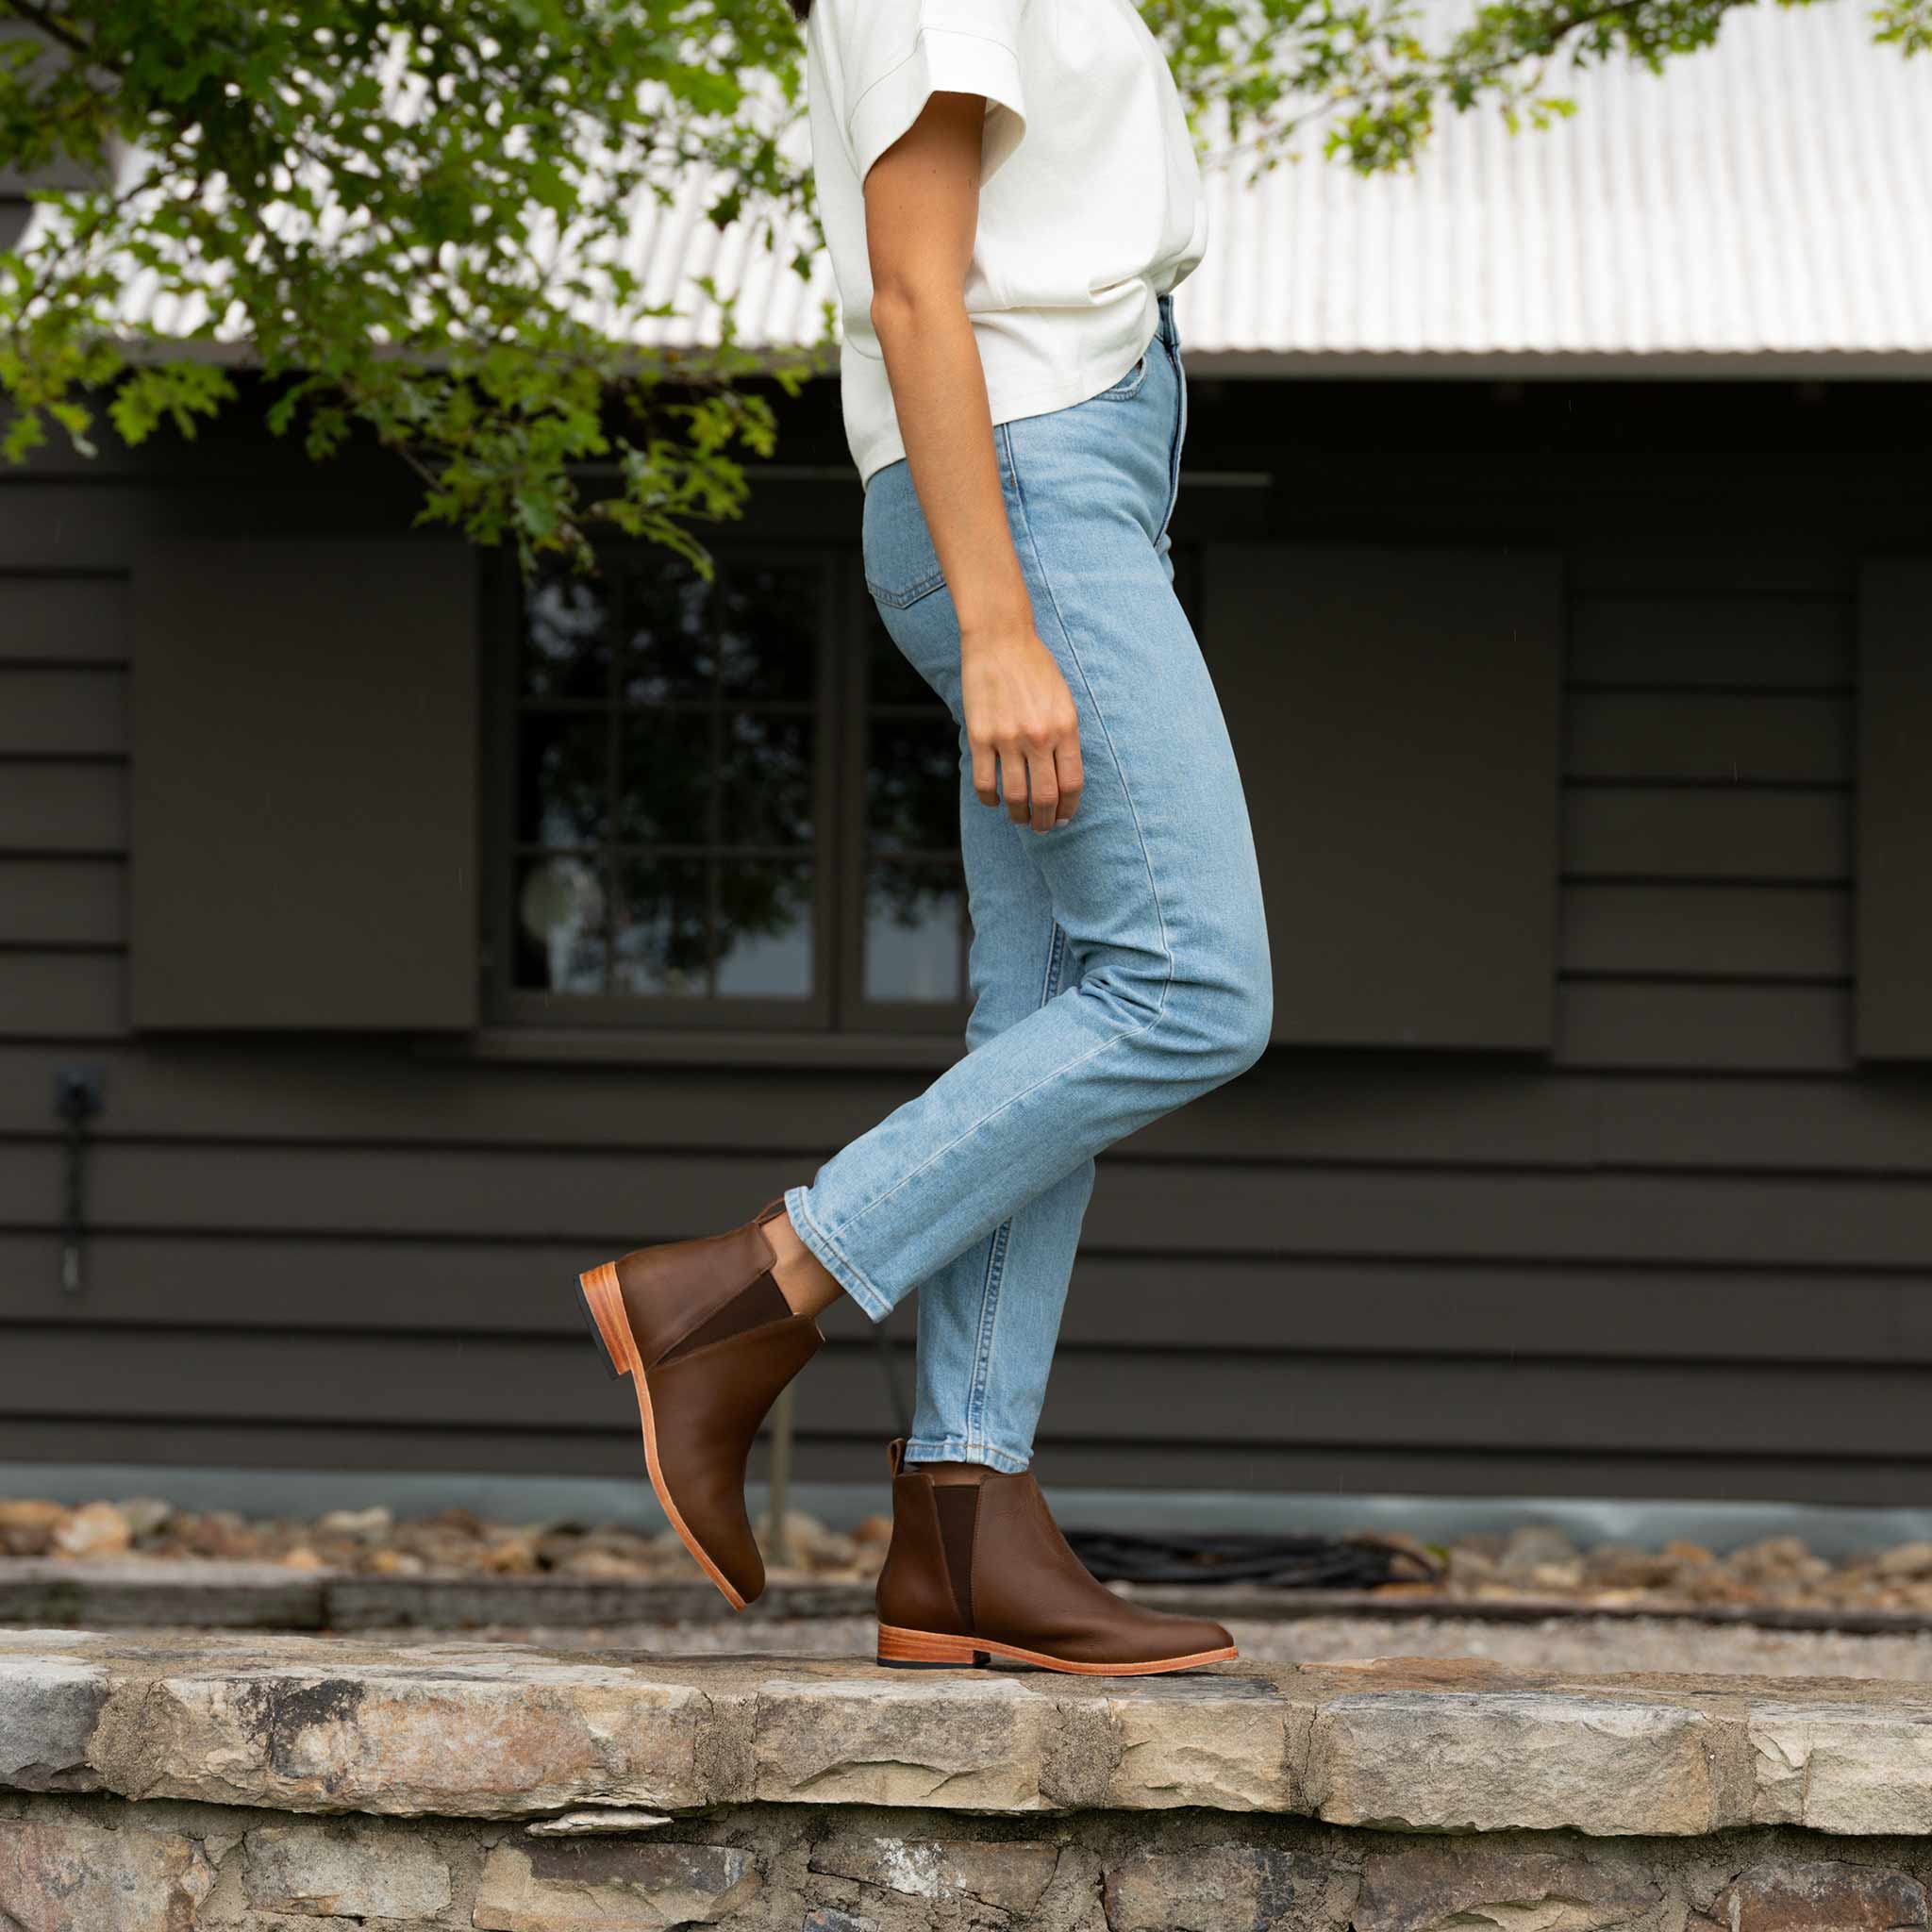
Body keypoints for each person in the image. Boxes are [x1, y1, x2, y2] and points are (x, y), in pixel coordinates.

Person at [574, 0, 1273, 1675]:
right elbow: (912, 287)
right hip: (1025, 489)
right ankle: (737, 1294)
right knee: (1190, 987)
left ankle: (964, 1521)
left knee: (1049, 1021)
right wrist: (1002, 621)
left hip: (1058, 485)